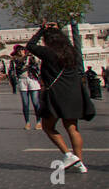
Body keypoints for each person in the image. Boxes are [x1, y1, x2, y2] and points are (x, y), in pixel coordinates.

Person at [26, 23, 88, 173]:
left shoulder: (48, 52)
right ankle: (80, 162)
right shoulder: (71, 51)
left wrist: (42, 29)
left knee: (48, 126)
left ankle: (68, 154)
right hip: (73, 92)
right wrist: (57, 29)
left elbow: (30, 45)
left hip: (56, 93)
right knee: (72, 128)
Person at [16, 45, 41, 130]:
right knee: (25, 103)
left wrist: (32, 57)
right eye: (19, 50)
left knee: (35, 102)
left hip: (32, 79)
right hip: (22, 80)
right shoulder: (16, 59)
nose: (20, 52)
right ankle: (27, 122)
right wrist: (26, 57)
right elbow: (19, 64)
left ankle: (38, 121)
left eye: (22, 50)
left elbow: (36, 65)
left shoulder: (31, 58)